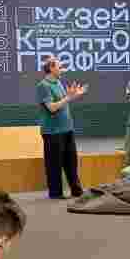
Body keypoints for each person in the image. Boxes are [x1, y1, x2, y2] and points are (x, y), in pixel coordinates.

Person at [36, 57, 87, 201]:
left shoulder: (58, 82)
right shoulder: (43, 86)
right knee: (54, 164)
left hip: (67, 128)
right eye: (59, 67)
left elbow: (64, 101)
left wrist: (74, 95)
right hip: (52, 132)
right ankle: (56, 193)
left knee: (71, 162)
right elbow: (52, 108)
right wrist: (69, 97)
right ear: (51, 68)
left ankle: (77, 191)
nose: (62, 70)